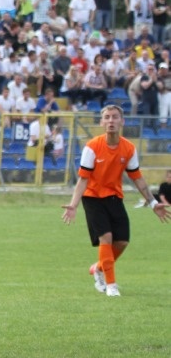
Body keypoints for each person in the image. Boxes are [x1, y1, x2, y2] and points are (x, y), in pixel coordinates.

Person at [61, 105, 168, 296]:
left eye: (115, 117)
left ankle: (99, 267)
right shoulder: (92, 147)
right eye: (107, 117)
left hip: (114, 197)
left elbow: (137, 178)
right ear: (102, 122)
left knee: (122, 242)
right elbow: (83, 179)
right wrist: (73, 205)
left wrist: (153, 203)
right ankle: (110, 286)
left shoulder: (128, 148)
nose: (111, 121)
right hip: (92, 197)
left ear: (122, 121)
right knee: (106, 238)